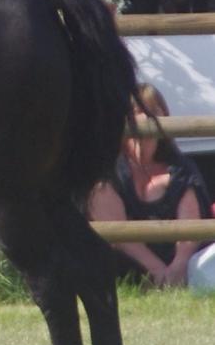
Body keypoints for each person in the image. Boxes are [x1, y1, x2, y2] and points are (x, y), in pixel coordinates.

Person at [89, 83, 213, 287]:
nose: (146, 119)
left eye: (153, 112)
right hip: (127, 265)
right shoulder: (106, 172)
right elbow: (116, 232)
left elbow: (190, 229)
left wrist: (177, 268)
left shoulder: (181, 168)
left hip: (181, 266)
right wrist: (157, 270)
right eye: (137, 112)